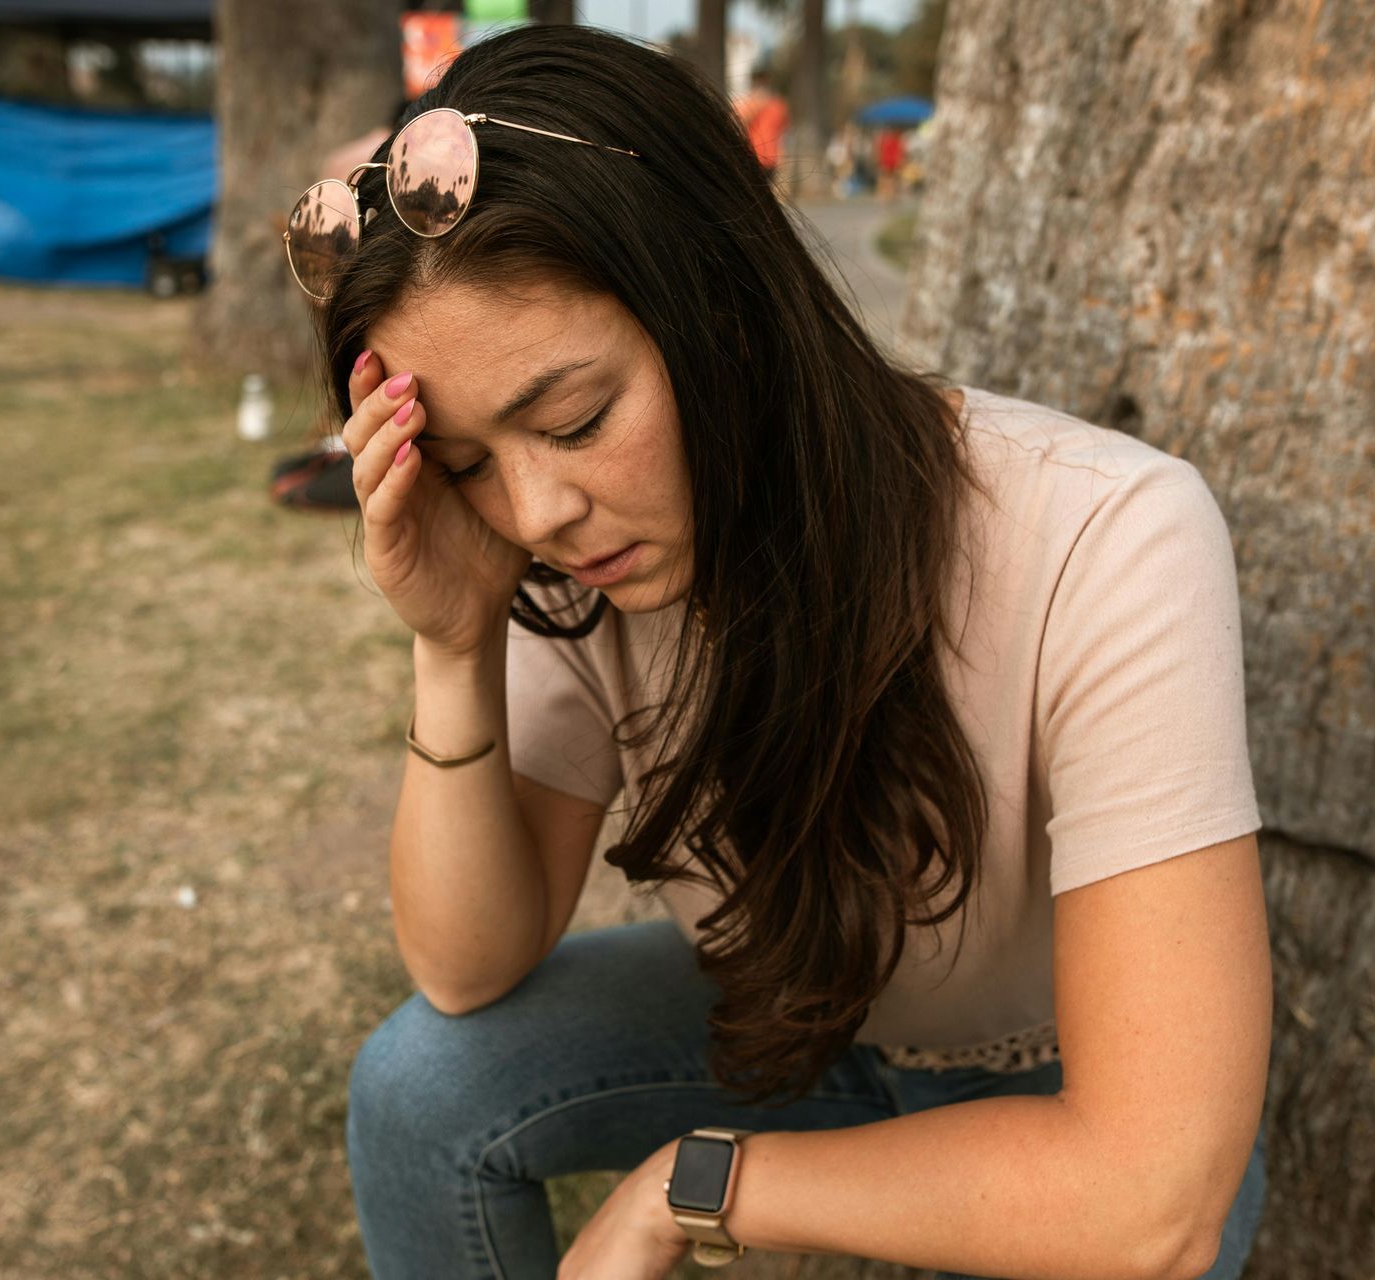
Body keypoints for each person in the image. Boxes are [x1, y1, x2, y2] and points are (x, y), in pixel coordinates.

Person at [311, 26, 1269, 1280]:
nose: (537, 509)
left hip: (1067, 1087)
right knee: (423, 1087)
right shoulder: (568, 561)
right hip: (795, 1031)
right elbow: (466, 962)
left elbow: (1151, 1198)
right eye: (470, 462)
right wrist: (455, 639)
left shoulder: (1109, 535)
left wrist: (688, 1187)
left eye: (577, 419)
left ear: (726, 306)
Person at [733, 66, 789, 194]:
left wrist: (781, 154)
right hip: (751, 155)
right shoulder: (746, 104)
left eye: (764, 82)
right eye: (759, 82)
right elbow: (738, 123)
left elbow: (782, 132)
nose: (762, 86)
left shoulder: (778, 105)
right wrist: (756, 104)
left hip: (771, 158)